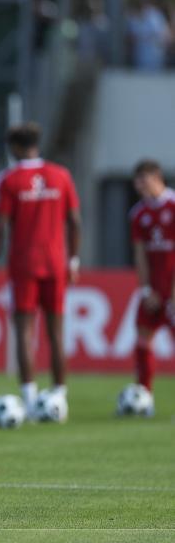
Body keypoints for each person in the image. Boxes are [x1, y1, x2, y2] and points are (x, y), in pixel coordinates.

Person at [0, 122, 81, 421]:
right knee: (56, 331)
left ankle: (30, 397)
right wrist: (74, 260)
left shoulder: (8, 179)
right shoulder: (61, 175)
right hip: (56, 262)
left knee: (25, 332)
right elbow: (75, 220)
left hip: (24, 264)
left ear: (13, 147)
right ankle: (59, 398)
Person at [125, 159, 175, 415]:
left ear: (157, 178)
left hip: (173, 287)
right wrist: (145, 290)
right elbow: (140, 254)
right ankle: (145, 399)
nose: (139, 186)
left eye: (143, 180)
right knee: (143, 339)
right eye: (137, 182)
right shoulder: (138, 214)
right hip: (154, 291)